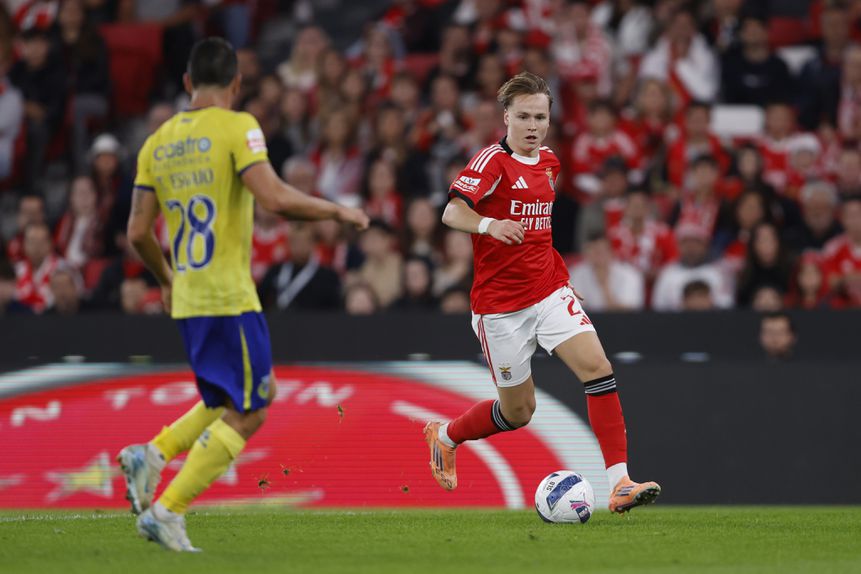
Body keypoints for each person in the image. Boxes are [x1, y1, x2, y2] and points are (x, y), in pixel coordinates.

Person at [116, 38, 368, 552]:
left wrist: (165, 278)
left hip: (190, 294)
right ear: (236, 83)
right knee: (251, 410)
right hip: (227, 296)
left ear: (187, 83)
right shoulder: (237, 127)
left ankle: (153, 454)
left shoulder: (157, 142)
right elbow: (273, 197)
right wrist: (336, 211)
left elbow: (138, 232)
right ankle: (168, 510)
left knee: (246, 392)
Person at [423, 72, 660, 514]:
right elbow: (451, 213)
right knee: (518, 412)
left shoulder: (550, 163)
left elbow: (539, 233)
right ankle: (447, 435)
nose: (532, 126)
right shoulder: (491, 162)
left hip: (549, 292)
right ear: (506, 117)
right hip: (500, 308)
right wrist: (490, 224)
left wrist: (560, 277)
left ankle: (620, 483)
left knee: (598, 368)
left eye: (540, 117)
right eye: (524, 117)